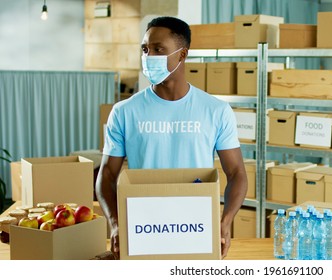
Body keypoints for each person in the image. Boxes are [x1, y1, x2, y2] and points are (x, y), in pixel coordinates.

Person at [95, 16, 248, 260]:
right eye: (145, 49)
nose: (149, 56)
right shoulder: (124, 112)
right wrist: (115, 224)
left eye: (158, 49)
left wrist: (225, 221)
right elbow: (107, 175)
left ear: (182, 54)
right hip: (141, 226)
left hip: (197, 226)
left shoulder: (215, 110)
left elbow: (237, 173)